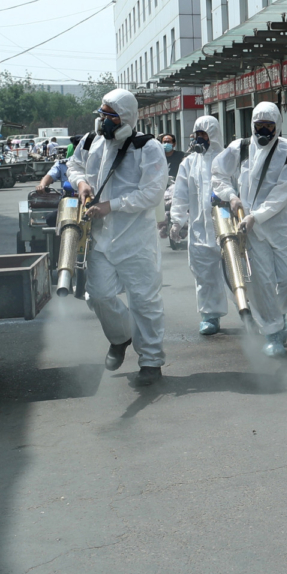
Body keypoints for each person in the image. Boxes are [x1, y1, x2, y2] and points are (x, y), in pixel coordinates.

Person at [66, 88, 169, 386]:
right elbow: (73, 165)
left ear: (125, 118)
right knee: (97, 295)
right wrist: (82, 183)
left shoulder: (147, 148)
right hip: (101, 238)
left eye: (110, 115)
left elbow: (152, 192)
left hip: (135, 239)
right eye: (102, 113)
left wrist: (112, 206)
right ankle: (121, 336)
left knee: (145, 301)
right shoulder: (90, 141)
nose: (103, 120)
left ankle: (150, 361)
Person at [210, 101, 287, 357]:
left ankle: (279, 313)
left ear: (278, 126)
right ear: (252, 125)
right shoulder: (239, 148)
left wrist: (257, 216)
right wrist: (231, 196)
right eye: (259, 126)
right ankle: (272, 332)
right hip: (248, 227)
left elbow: (282, 192)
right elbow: (217, 173)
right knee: (260, 283)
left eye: (269, 126)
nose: (263, 131)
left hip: (280, 225)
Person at [169, 116, 227, 335]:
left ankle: (252, 313)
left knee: (239, 272)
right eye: (196, 135)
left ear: (213, 135)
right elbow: (180, 194)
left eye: (203, 134)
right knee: (204, 274)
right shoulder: (189, 162)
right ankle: (210, 315)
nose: (199, 139)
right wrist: (177, 220)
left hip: (227, 226)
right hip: (200, 229)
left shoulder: (227, 159)